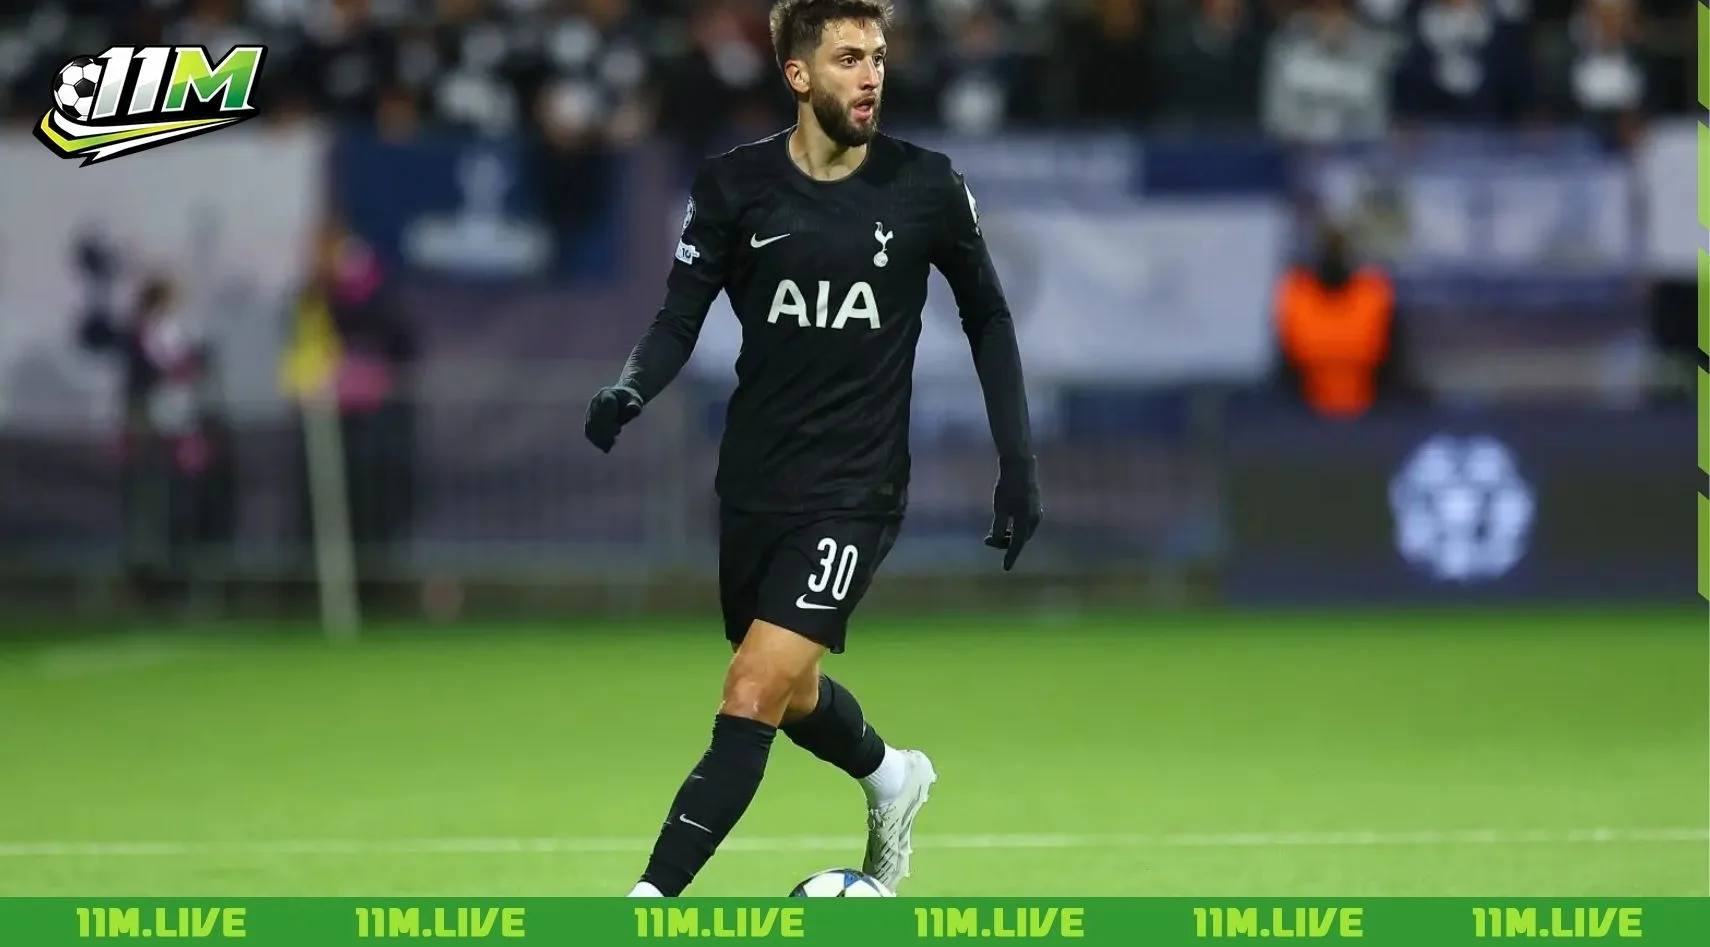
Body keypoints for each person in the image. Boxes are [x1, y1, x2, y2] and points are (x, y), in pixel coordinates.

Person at [583, 0, 1041, 899]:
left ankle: (647, 904)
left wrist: (1017, 462)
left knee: (750, 690)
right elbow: (680, 316)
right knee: (790, 694)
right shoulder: (733, 186)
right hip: (756, 483)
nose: (871, 74)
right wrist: (634, 383)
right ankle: (890, 776)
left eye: (877, 55)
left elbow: (987, 316)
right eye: (846, 58)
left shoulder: (928, 187)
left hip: (857, 490)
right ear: (798, 76)